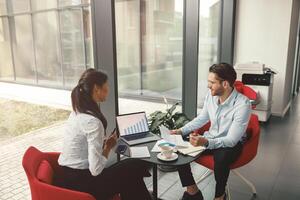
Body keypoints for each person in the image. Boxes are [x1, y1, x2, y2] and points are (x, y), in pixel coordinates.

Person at [55, 68, 152, 200]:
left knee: (132, 173)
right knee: (133, 168)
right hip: (82, 183)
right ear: (96, 88)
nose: (109, 89)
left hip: (68, 177)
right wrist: (107, 148)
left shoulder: (77, 113)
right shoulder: (92, 122)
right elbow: (96, 170)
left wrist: (103, 144)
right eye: (106, 85)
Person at [171, 63, 252, 200]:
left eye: (212, 82)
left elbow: (231, 140)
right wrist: (181, 131)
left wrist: (206, 141)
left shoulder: (242, 105)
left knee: (221, 158)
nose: (208, 86)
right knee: (179, 149)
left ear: (225, 84)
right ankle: (192, 191)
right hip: (210, 138)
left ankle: (220, 196)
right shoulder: (211, 95)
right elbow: (202, 118)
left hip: (230, 144)